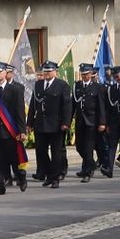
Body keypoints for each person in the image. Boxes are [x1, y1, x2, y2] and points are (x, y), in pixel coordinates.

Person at [27, 60, 72, 188]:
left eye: (49, 71)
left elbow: (67, 106)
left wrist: (66, 122)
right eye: (44, 71)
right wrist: (29, 123)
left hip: (56, 124)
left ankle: (55, 178)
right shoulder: (38, 85)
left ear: (55, 72)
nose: (46, 73)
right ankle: (48, 174)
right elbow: (33, 105)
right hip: (40, 124)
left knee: (56, 152)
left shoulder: (62, 85)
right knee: (41, 151)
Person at [0, 61, 27, 196]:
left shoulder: (15, 89)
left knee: (14, 158)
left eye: (0, 71)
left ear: (5, 73)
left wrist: (22, 131)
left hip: (11, 131)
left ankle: (20, 176)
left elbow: (20, 111)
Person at [73, 63, 107, 181]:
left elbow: (101, 106)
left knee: (88, 148)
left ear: (91, 74)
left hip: (92, 121)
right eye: (82, 74)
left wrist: (102, 122)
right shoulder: (77, 86)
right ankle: (91, 164)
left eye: (86, 74)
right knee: (79, 146)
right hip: (80, 121)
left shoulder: (97, 87)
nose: (84, 77)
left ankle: (88, 172)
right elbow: (74, 104)